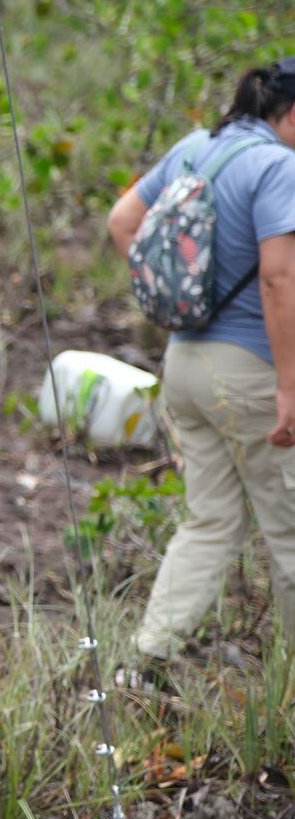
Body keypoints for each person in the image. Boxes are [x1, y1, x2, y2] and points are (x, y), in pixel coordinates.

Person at [107, 56, 295, 671]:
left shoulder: (196, 146)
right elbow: (278, 278)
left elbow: (122, 221)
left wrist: (179, 301)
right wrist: (288, 387)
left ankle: (147, 657)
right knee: (288, 534)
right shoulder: (277, 166)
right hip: (248, 375)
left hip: (184, 363)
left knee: (210, 520)